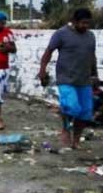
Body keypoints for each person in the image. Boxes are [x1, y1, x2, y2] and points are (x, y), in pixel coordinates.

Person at [38, 8, 97, 149]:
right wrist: (42, 70)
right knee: (72, 107)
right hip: (66, 78)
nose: (85, 26)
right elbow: (48, 52)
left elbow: (92, 56)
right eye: (83, 23)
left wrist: (95, 75)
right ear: (75, 21)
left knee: (85, 113)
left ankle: (76, 140)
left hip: (84, 80)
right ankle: (65, 128)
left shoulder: (91, 36)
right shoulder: (61, 34)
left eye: (88, 23)